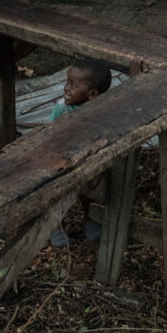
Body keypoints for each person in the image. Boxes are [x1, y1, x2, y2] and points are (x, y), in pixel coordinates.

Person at [48, 59, 112, 247]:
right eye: (67, 82)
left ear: (93, 94)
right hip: (61, 157)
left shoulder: (104, 111)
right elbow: (49, 136)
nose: (66, 88)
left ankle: (91, 219)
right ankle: (55, 226)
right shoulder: (62, 107)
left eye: (73, 85)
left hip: (88, 159)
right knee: (54, 191)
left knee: (90, 189)